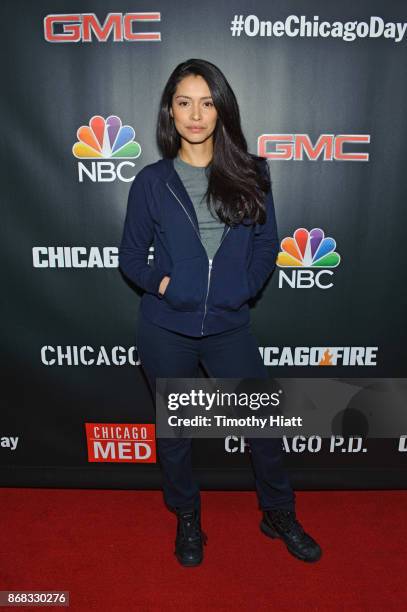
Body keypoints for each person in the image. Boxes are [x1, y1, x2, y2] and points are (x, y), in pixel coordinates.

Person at [119, 58, 322, 567]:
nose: (195, 114)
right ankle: (188, 517)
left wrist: (245, 286)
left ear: (221, 110)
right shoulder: (151, 182)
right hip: (167, 327)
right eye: (184, 102)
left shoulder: (251, 171)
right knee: (177, 435)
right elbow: (129, 256)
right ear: (170, 110)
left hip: (229, 327)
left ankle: (278, 512)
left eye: (207, 102)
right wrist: (164, 283)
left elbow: (267, 242)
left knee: (264, 428)